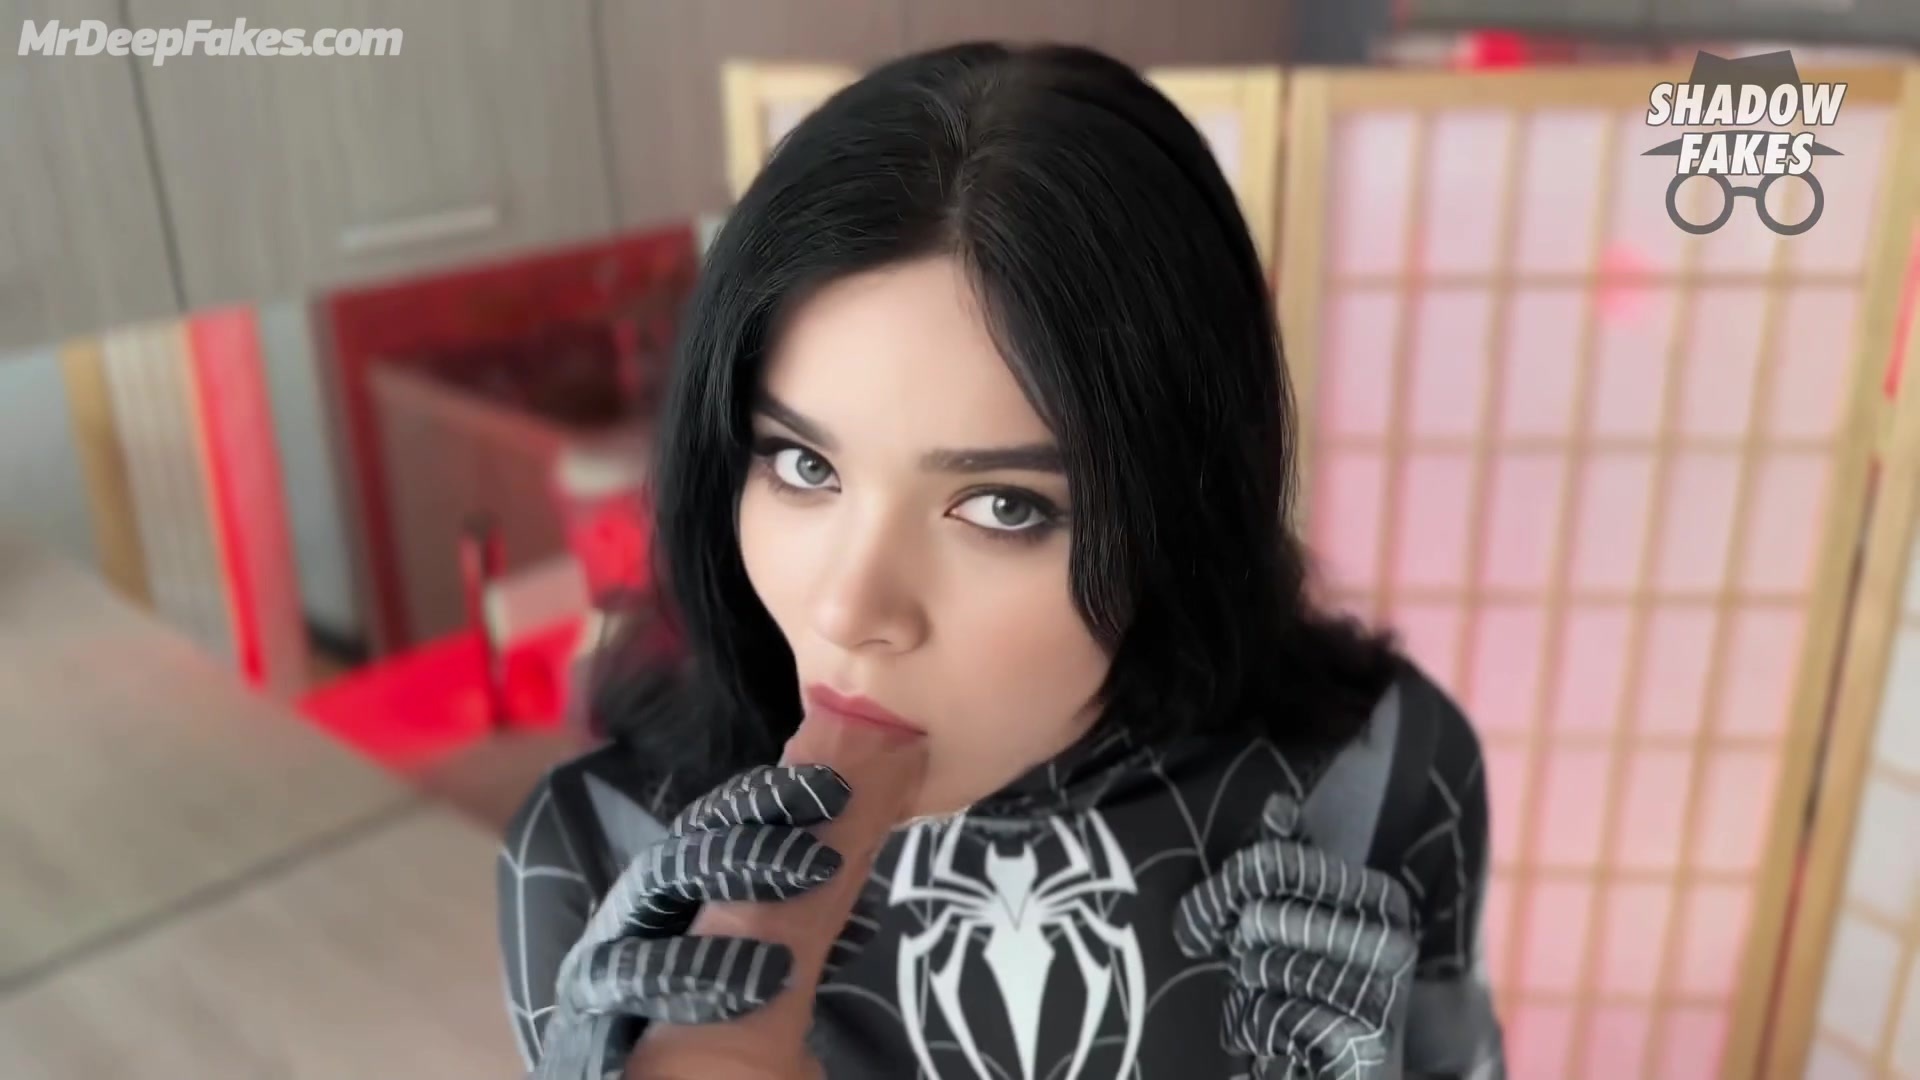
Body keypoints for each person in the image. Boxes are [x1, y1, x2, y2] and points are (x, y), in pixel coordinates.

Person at [497, 40, 1506, 1080]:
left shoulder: (1375, 777)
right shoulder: (600, 851)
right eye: (803, 464)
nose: (849, 609)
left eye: (1002, 506)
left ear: (1177, 509)